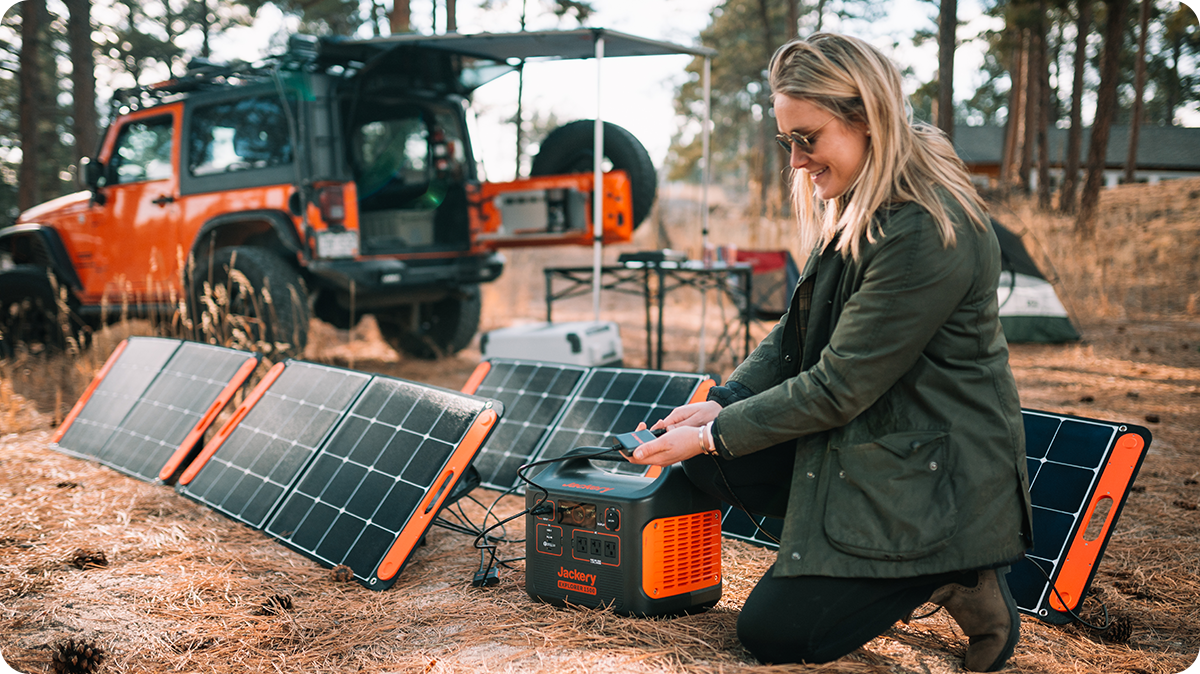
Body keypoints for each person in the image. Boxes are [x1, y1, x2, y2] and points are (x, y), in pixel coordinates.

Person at [629, 33, 1033, 672]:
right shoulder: (856, 202)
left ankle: (948, 569)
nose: (795, 161)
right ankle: (851, 549)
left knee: (778, 638)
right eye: (787, 141)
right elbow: (791, 337)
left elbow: (839, 386)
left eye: (806, 139)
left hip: (932, 475)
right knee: (713, 467)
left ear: (866, 119)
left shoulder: (925, 227)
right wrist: (721, 405)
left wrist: (717, 433)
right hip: (868, 440)